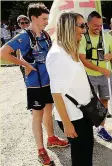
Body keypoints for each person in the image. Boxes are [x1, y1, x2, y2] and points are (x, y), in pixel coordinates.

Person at [0, 3, 69, 165]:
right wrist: (25, 65)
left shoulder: (44, 34)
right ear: (33, 18)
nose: (47, 21)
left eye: (47, 18)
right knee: (37, 115)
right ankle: (40, 150)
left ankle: (51, 138)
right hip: (35, 84)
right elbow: (3, 52)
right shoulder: (24, 36)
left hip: (48, 81)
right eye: (44, 19)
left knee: (48, 110)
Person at [46, 11, 94, 166]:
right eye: (81, 26)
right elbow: (56, 94)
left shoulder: (69, 50)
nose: (85, 30)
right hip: (74, 117)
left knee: (85, 153)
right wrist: (67, 124)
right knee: (81, 158)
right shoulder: (58, 55)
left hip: (83, 112)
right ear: (69, 27)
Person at [79, 11, 112, 141]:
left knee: (104, 101)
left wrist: (111, 56)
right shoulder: (83, 38)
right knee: (90, 103)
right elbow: (83, 59)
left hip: (106, 75)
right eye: (95, 25)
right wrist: (101, 69)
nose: (98, 28)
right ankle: (88, 128)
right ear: (88, 24)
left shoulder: (107, 37)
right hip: (90, 75)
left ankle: (101, 128)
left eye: (100, 25)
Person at [15, 15, 30, 79]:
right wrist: (18, 61)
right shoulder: (18, 36)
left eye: (26, 22)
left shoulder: (34, 33)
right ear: (19, 24)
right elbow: (17, 49)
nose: (25, 24)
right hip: (23, 62)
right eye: (22, 23)